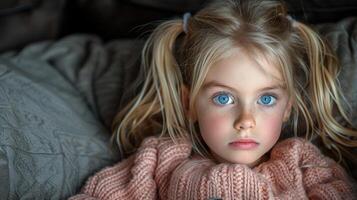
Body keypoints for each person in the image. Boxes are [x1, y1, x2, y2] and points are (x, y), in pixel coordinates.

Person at [70, 0, 357, 199]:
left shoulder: (304, 165)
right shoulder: (160, 162)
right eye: (223, 98)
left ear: (288, 107)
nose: (246, 121)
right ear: (189, 103)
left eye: (267, 99)